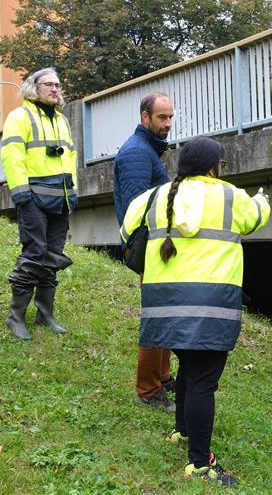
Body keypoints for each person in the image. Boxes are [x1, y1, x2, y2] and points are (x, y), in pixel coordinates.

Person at [120, 136, 271, 486]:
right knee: (203, 381)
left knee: (189, 365)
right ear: (212, 167)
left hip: (163, 304)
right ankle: (200, 465)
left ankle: (182, 431)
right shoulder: (230, 196)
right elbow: (255, 218)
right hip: (210, 306)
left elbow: (126, 230)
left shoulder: (155, 196)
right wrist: (263, 199)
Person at [1, 67, 77, 340]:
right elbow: (12, 156)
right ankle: (16, 316)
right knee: (34, 254)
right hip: (33, 198)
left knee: (53, 255)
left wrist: (73, 191)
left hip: (60, 198)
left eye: (58, 85)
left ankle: (45, 315)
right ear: (34, 87)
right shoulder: (19, 117)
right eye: (49, 84)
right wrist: (21, 194)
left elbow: (70, 158)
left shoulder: (62, 120)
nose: (55, 89)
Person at [114, 92, 176, 411]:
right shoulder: (137, 153)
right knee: (156, 316)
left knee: (164, 313)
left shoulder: (147, 149)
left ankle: (162, 377)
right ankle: (148, 390)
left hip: (155, 247)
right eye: (162, 117)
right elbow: (137, 210)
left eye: (171, 117)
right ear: (145, 117)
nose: (168, 123)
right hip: (149, 248)